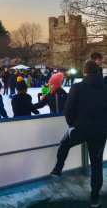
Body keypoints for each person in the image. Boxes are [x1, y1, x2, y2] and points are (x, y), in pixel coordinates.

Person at [50, 61, 107, 207]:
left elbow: (68, 109)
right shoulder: (105, 88)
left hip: (80, 128)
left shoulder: (77, 87)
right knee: (96, 165)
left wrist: (72, 125)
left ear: (84, 72)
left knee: (65, 143)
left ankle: (58, 168)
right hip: (100, 131)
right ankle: (95, 197)